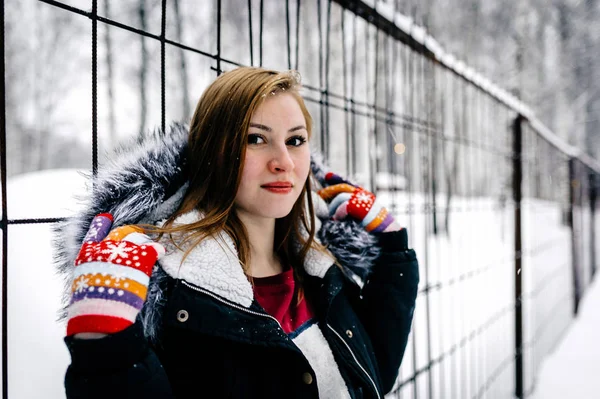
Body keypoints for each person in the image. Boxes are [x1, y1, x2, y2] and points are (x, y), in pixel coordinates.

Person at [54, 67, 419, 399]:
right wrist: (106, 348)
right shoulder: (172, 292)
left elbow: (371, 379)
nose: (284, 162)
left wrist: (392, 251)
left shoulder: (320, 263)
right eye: (256, 139)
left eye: (295, 140)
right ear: (215, 150)